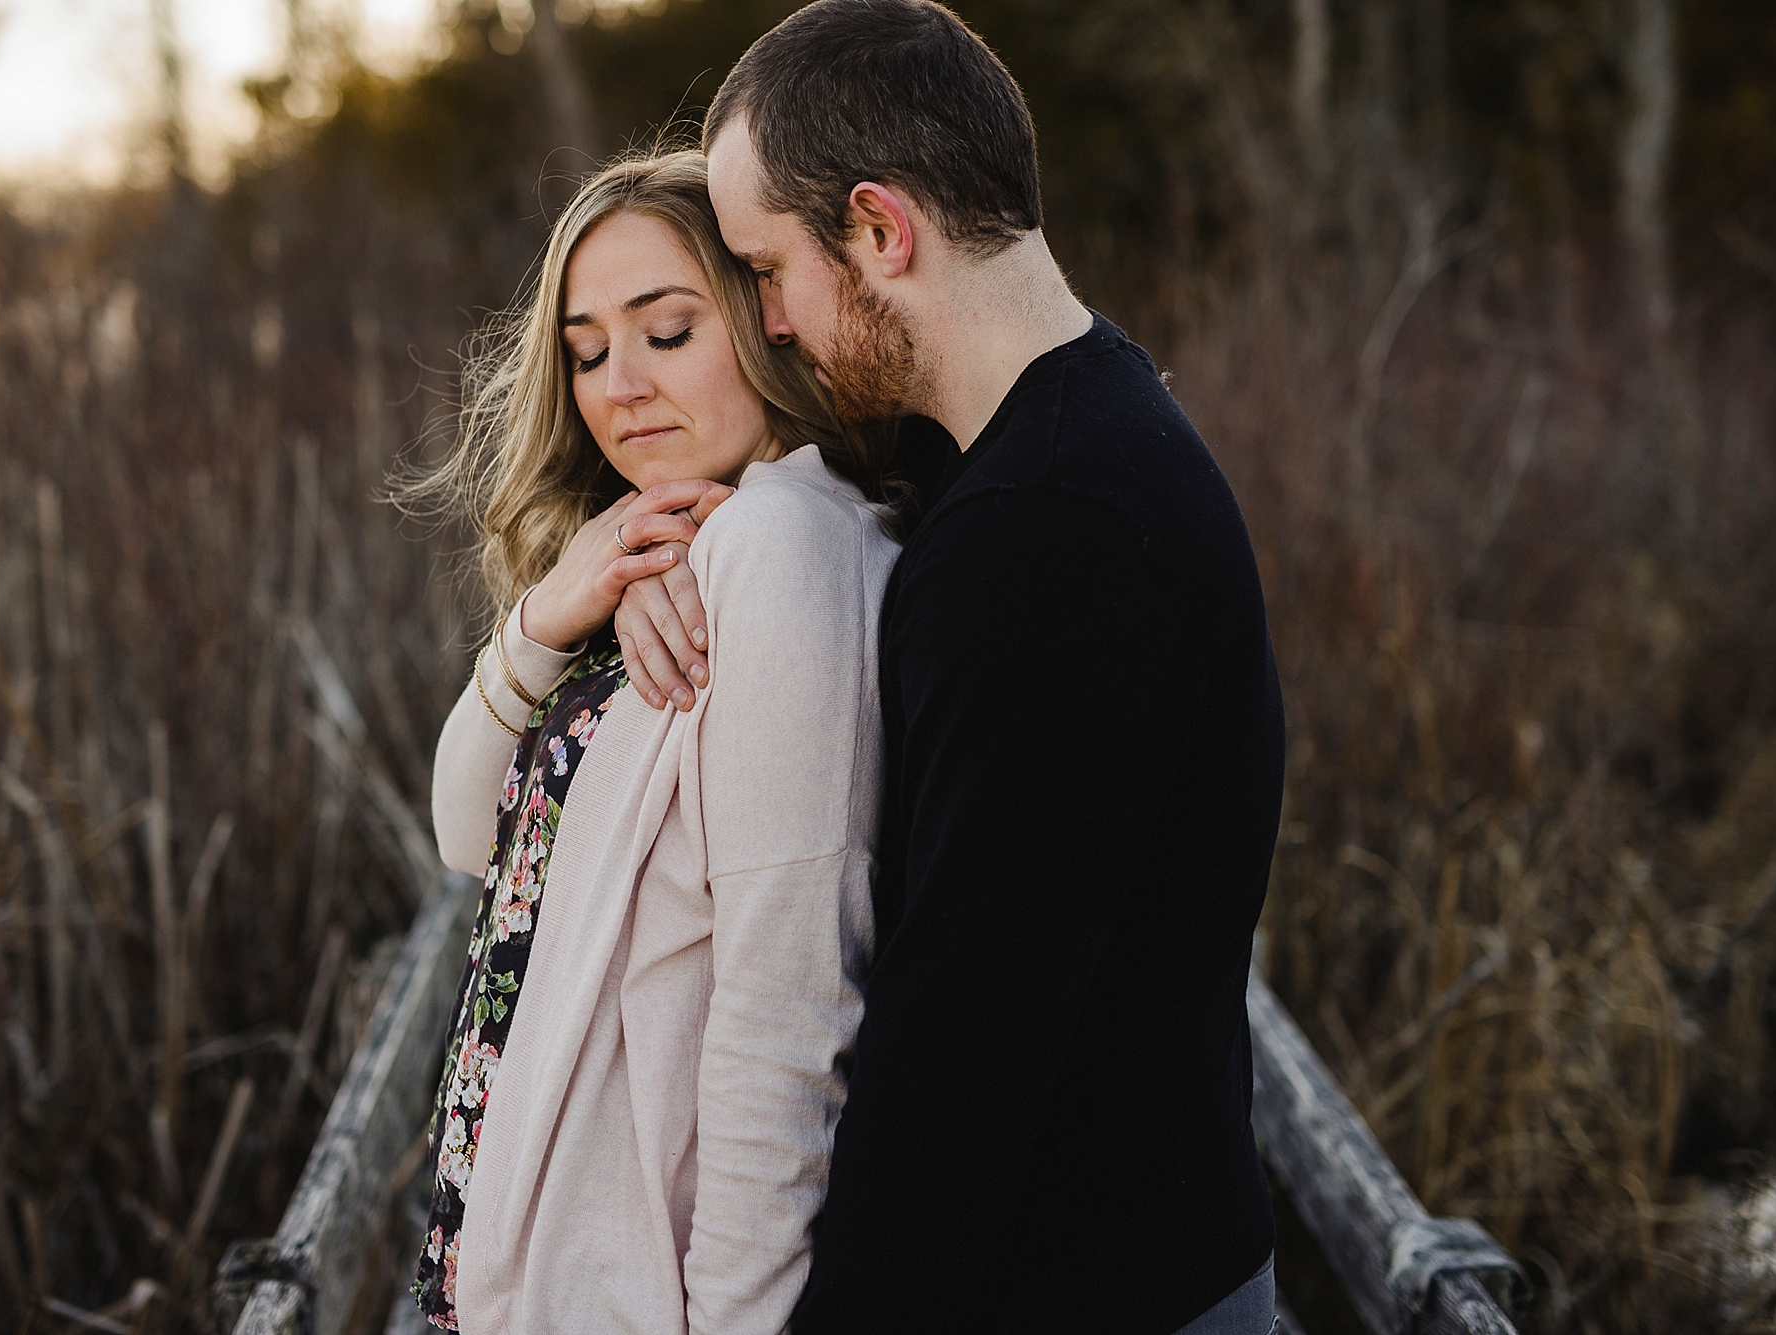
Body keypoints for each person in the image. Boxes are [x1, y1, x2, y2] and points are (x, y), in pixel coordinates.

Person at [613, 3, 1285, 1331]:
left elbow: (962, 1057)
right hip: (1158, 1254)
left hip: (1097, 1296)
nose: (770, 320)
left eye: (766, 265)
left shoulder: (1042, 537)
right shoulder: (1079, 433)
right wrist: (649, 551)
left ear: (880, 229)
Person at [407, 150, 900, 1334]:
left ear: (765, 320)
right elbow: (472, 836)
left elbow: (787, 1014)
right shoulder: (655, 558)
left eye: (665, 331)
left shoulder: (786, 548)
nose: (617, 385)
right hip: (550, 1260)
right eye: (584, 350)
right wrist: (547, 618)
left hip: (643, 1287)